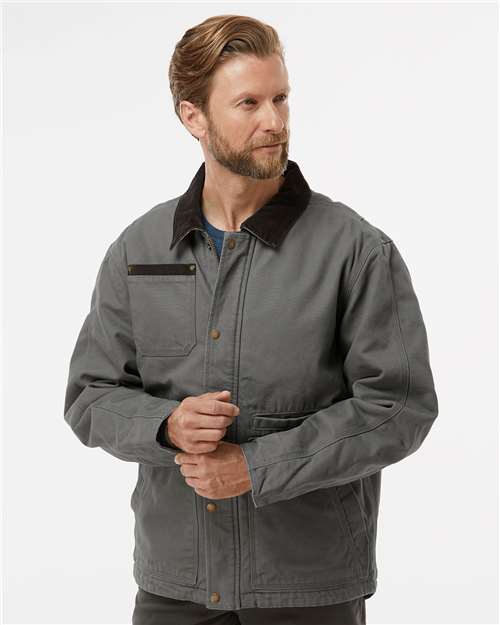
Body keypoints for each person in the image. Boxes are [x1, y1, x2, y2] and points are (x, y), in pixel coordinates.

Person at [63, 14, 439, 625]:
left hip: (307, 589)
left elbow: (399, 407)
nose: (276, 122)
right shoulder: (140, 249)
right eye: (249, 103)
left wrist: (258, 466)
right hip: (175, 588)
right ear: (194, 117)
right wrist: (166, 425)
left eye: (281, 98)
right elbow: (89, 395)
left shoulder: (355, 250)